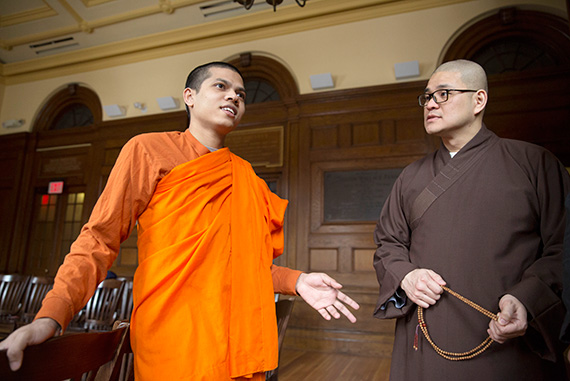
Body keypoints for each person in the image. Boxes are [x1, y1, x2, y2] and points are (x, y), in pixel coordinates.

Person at [0, 62, 360, 380]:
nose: (234, 97)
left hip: (235, 338)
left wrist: (297, 281)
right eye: (221, 86)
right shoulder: (148, 150)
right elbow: (99, 240)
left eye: (241, 94)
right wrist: (51, 315)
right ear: (189, 96)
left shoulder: (247, 179)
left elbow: (247, 269)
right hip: (172, 334)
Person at [373, 59, 569, 380]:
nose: (431, 103)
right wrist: (406, 276)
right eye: (427, 97)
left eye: (444, 94)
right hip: (426, 336)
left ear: (479, 100)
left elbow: (563, 247)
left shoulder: (533, 163)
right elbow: (388, 243)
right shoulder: (412, 176)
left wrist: (527, 298)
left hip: (505, 339)